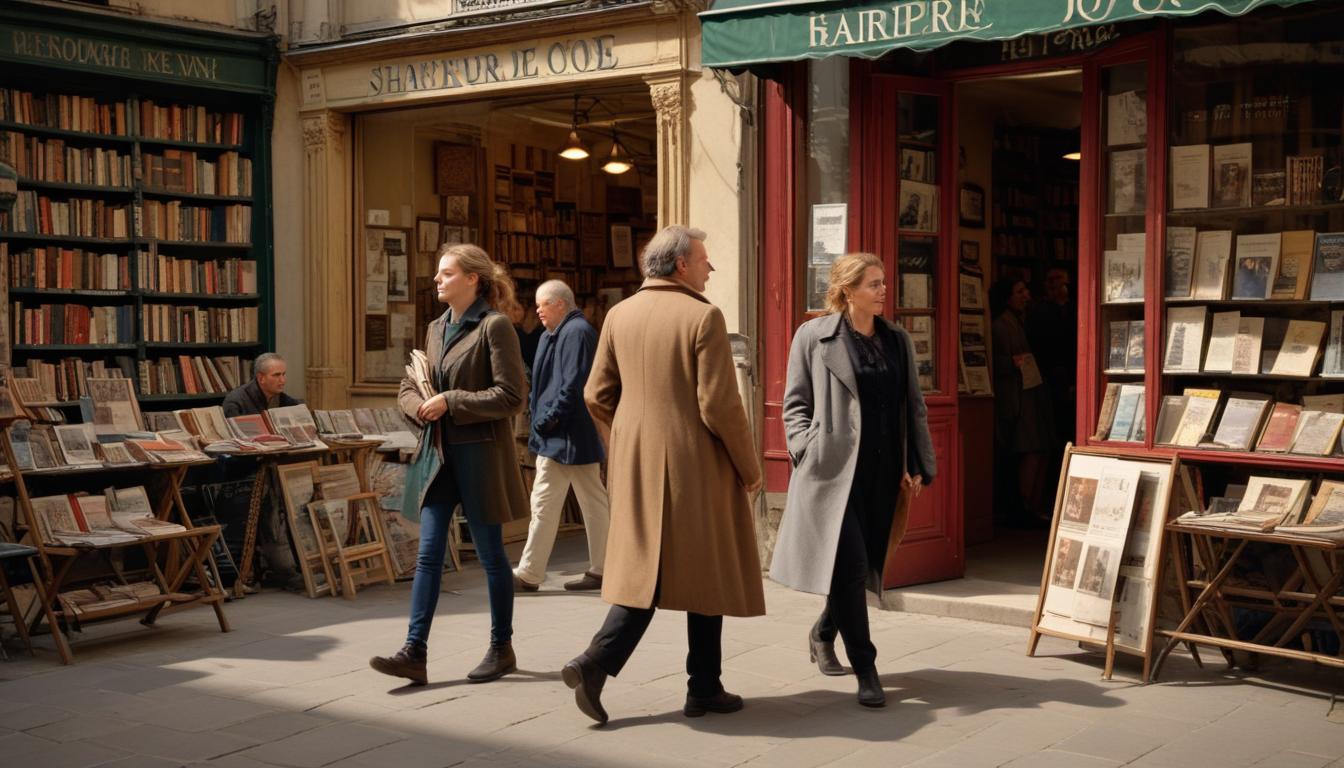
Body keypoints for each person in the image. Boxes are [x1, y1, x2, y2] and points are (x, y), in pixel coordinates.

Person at [561, 225, 764, 726]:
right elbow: (718, 404)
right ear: (680, 266)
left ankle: (702, 685)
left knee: (657, 570)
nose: (710, 269)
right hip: (696, 462)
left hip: (636, 462)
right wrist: (750, 467)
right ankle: (604, 664)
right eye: (704, 260)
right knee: (700, 568)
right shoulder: (703, 316)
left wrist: (623, 437)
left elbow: (595, 394)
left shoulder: (619, 313)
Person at [770, 251, 936, 709]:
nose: (885, 291)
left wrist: (918, 462)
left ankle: (823, 632)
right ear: (848, 291)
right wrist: (806, 447)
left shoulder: (896, 340)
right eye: (875, 284)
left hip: (882, 474)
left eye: (884, 283)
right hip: (832, 473)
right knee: (851, 566)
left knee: (860, 567)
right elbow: (794, 402)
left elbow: (912, 406)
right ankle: (866, 667)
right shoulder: (813, 336)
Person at [370, 243, 529, 686]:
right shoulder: (436, 328)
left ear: (472, 279)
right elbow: (411, 381)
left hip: (479, 456)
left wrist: (450, 401)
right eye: (438, 274)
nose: (437, 280)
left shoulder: (495, 327)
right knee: (428, 556)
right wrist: (416, 404)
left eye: (446, 273)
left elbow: (513, 396)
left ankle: (502, 647)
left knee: (491, 557)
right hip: (437, 456)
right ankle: (414, 652)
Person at [513, 280, 610, 592]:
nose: (537, 310)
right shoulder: (556, 333)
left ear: (560, 304)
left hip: (564, 436)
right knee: (591, 502)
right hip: (564, 435)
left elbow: (572, 386)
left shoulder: (575, 333)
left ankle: (530, 573)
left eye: (544, 304)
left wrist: (547, 420)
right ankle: (603, 568)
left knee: (547, 502)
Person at [992, 278, 1056, 526]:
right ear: (1007, 296)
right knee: (1030, 448)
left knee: (1040, 448)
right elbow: (994, 363)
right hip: (1018, 397)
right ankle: (1026, 507)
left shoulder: (1020, 321)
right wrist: (1013, 362)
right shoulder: (1002, 325)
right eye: (1020, 291)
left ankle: (1032, 505)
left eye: (1026, 290)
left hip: (1030, 393)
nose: (1026, 295)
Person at [222, 353, 301, 417]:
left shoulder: (287, 402)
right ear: (261, 378)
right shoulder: (235, 402)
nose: (283, 380)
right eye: (276, 375)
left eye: (283, 374)